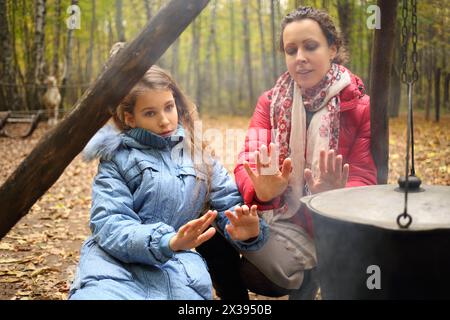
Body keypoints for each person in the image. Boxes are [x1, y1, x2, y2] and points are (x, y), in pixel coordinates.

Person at [197, 6, 377, 300]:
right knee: (208, 228)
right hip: (274, 216)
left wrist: (336, 197)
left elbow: (367, 175)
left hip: (326, 230)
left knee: (263, 277)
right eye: (290, 50)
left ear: (332, 49)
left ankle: (308, 280)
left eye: (310, 46)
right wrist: (262, 190)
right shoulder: (270, 101)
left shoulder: (359, 107)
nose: (300, 58)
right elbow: (248, 161)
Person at [68, 64, 269, 300]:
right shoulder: (117, 158)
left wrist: (249, 232)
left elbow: (229, 202)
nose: (164, 121)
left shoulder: (198, 156)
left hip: (178, 270)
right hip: (113, 268)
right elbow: (109, 222)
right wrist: (167, 241)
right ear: (131, 118)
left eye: (168, 107)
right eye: (150, 113)